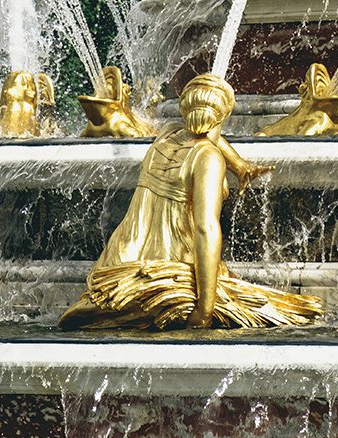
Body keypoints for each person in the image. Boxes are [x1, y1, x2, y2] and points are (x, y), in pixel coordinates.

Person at [59, 72, 322, 330]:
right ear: (225, 115)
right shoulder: (207, 158)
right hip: (168, 265)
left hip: (121, 259)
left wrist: (239, 166)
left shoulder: (167, 134)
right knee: (269, 309)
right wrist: (204, 309)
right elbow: (205, 229)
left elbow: (208, 136)